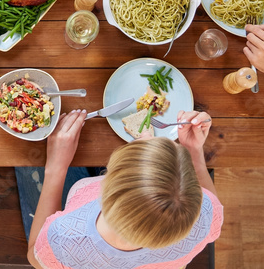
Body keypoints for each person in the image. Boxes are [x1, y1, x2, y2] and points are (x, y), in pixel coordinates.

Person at [24, 110, 222, 269]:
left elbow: (34, 256)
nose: (145, 132)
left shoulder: (66, 237)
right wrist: (194, 151)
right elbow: (207, 196)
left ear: (106, 180)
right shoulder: (206, 213)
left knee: (27, 163)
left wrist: (55, 168)